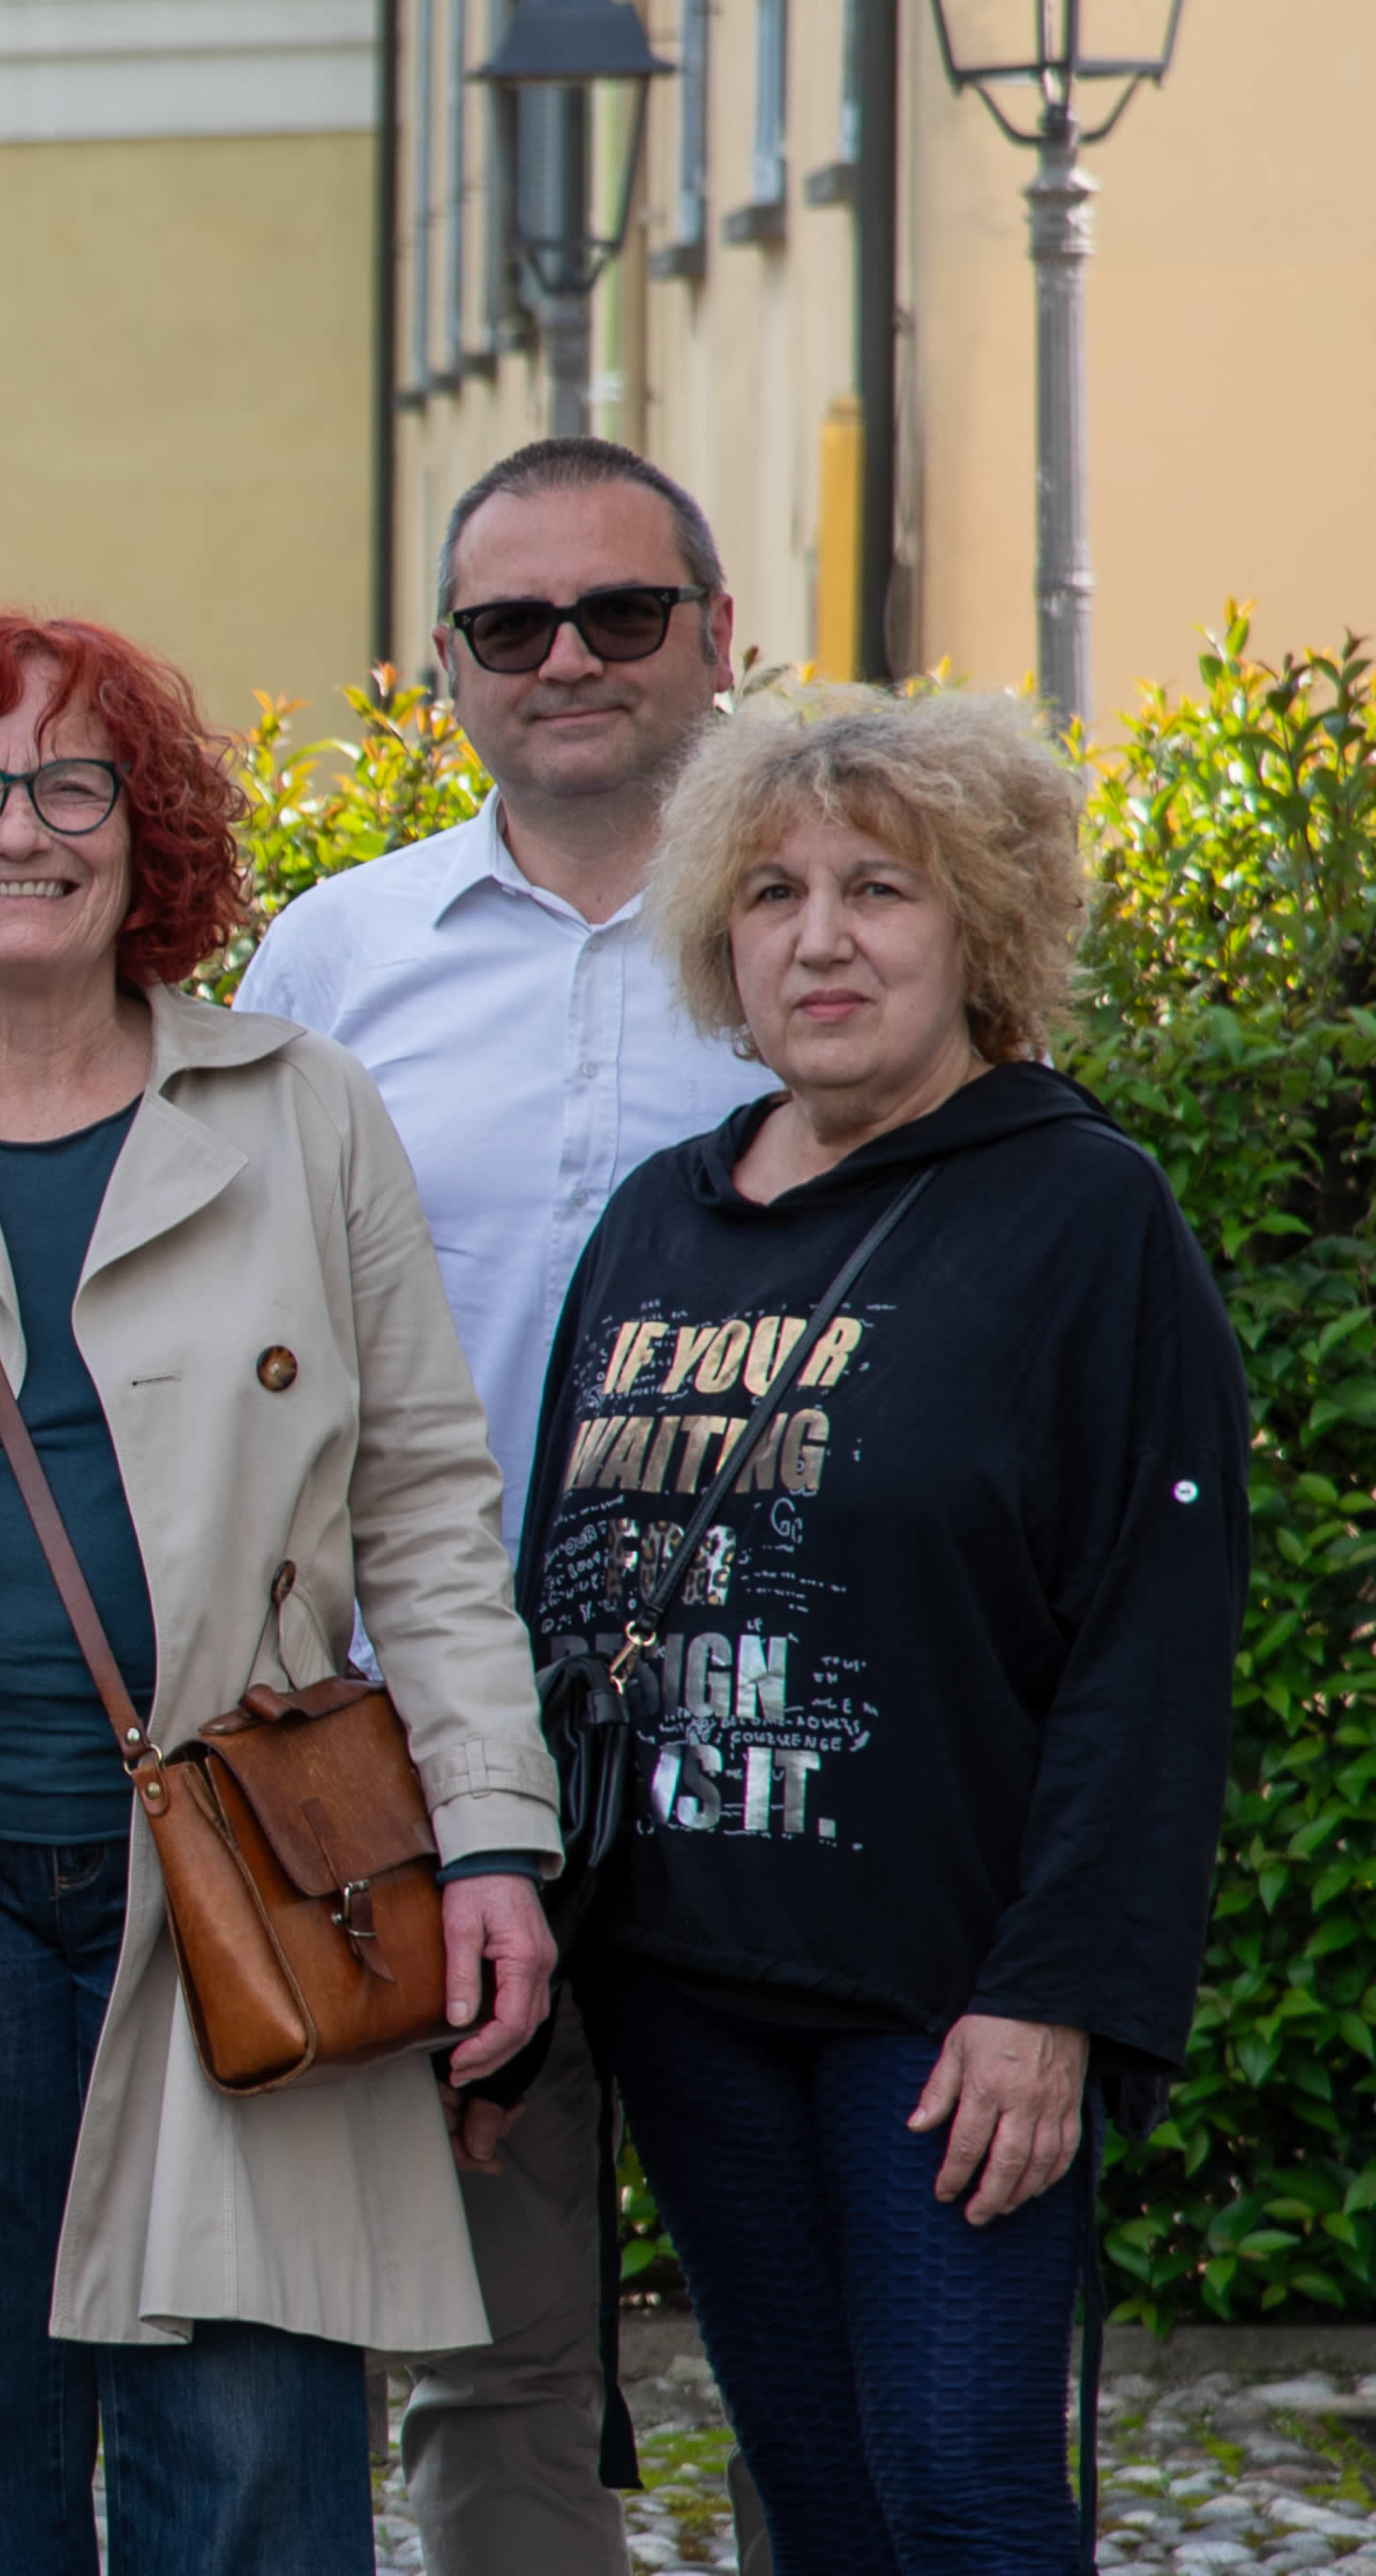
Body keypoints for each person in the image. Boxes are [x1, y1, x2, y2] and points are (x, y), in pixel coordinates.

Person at [0, 610, 564, 2571]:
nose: (17, 831)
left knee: (246, 2472)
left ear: (150, 837)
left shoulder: (302, 1112)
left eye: (73, 783)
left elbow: (423, 1515)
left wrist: (490, 1839)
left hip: (247, 1890)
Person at [523, 687, 1238, 2575]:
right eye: (768, 892)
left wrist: (1056, 1992)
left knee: (964, 2486)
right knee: (818, 2493)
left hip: (943, 2002)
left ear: (977, 925)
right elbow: (558, 1587)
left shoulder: (1084, 1215)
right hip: (686, 1983)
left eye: (878, 888)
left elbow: (1146, 1651)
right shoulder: (653, 1224)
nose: (819, 936)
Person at [228, 434, 779, 2569]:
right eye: (509, 624)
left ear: (717, 641)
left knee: (805, 2326)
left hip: (761, 1729)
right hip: (424, 1751)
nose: (566, 659)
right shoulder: (334, 960)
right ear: (440, 666)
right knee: (478, 2352)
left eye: (620, 615)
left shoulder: (815, 927)